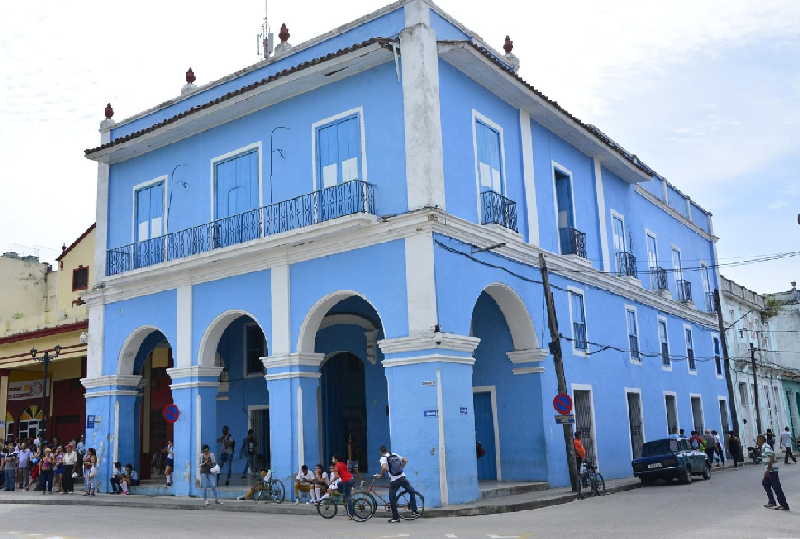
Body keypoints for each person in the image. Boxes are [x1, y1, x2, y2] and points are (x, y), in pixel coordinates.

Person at [379, 445, 419, 524]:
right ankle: (414, 510)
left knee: (392, 499)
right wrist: (401, 468)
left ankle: (395, 518)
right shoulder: (394, 454)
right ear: (387, 450)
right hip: (402, 477)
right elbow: (405, 460)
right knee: (411, 491)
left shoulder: (383, 458)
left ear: (381, 452)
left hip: (394, 480)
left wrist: (381, 475)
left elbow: (384, 467)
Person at [759, 434, 789, 511]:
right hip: (769, 471)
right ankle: (772, 501)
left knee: (777, 488)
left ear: (762, 440)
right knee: (765, 484)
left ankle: (784, 505)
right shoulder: (764, 447)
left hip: (772, 471)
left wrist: (768, 470)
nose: (757, 441)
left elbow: (772, 456)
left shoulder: (765, 447)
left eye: (758, 439)